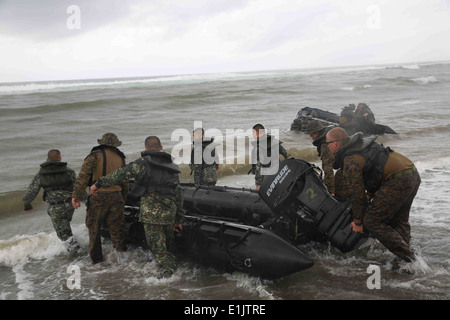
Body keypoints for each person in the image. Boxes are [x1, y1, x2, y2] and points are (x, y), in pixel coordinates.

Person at [90, 136, 184, 276]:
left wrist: (98, 183)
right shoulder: (171, 166)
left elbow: (118, 175)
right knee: (165, 246)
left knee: (158, 250)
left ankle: (177, 274)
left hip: (152, 215)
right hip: (169, 212)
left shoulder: (142, 163)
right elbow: (178, 194)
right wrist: (178, 219)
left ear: (146, 148)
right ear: (161, 147)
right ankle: (167, 272)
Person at [326, 127, 421, 262]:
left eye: (327, 144)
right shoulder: (359, 147)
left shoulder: (350, 159)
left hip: (398, 179)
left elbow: (357, 195)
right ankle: (406, 259)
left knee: (372, 221)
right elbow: (375, 170)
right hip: (411, 173)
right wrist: (370, 195)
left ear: (335, 143)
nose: (327, 148)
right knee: (399, 220)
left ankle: (410, 259)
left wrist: (358, 222)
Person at [72, 133, 128, 264]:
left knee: (94, 228)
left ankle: (97, 261)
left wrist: (76, 196)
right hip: (117, 195)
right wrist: (122, 197)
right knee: (117, 228)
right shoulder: (121, 158)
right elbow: (125, 182)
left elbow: (82, 177)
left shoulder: (94, 156)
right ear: (115, 144)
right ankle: (122, 260)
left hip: (98, 197)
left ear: (101, 143)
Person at [23, 149, 80, 253]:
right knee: (65, 226)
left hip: (55, 208)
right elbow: (78, 187)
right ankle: (78, 249)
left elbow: (32, 190)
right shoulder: (69, 171)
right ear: (60, 158)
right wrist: (85, 200)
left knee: (63, 234)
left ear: (47, 159)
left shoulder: (41, 174)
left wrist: (27, 204)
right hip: (69, 205)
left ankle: (76, 254)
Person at [250, 124, 290, 190]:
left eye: (254, 133)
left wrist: (258, 184)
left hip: (266, 179)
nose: (253, 135)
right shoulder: (274, 141)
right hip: (279, 175)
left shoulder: (258, 148)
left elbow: (259, 167)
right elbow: (287, 156)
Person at [305, 120, 336, 196]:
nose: (310, 136)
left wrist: (330, 192)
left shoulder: (324, 145)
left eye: (311, 134)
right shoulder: (328, 137)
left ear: (316, 132)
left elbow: (328, 169)